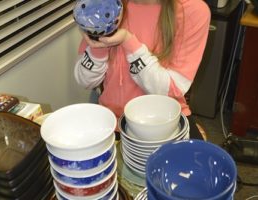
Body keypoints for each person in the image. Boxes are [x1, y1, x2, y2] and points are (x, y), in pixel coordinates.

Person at [74, 0, 211, 140]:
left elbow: (172, 90)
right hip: (111, 122)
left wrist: (129, 42)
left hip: (163, 121)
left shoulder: (191, 11)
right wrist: (98, 46)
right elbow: (85, 81)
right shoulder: (107, 5)